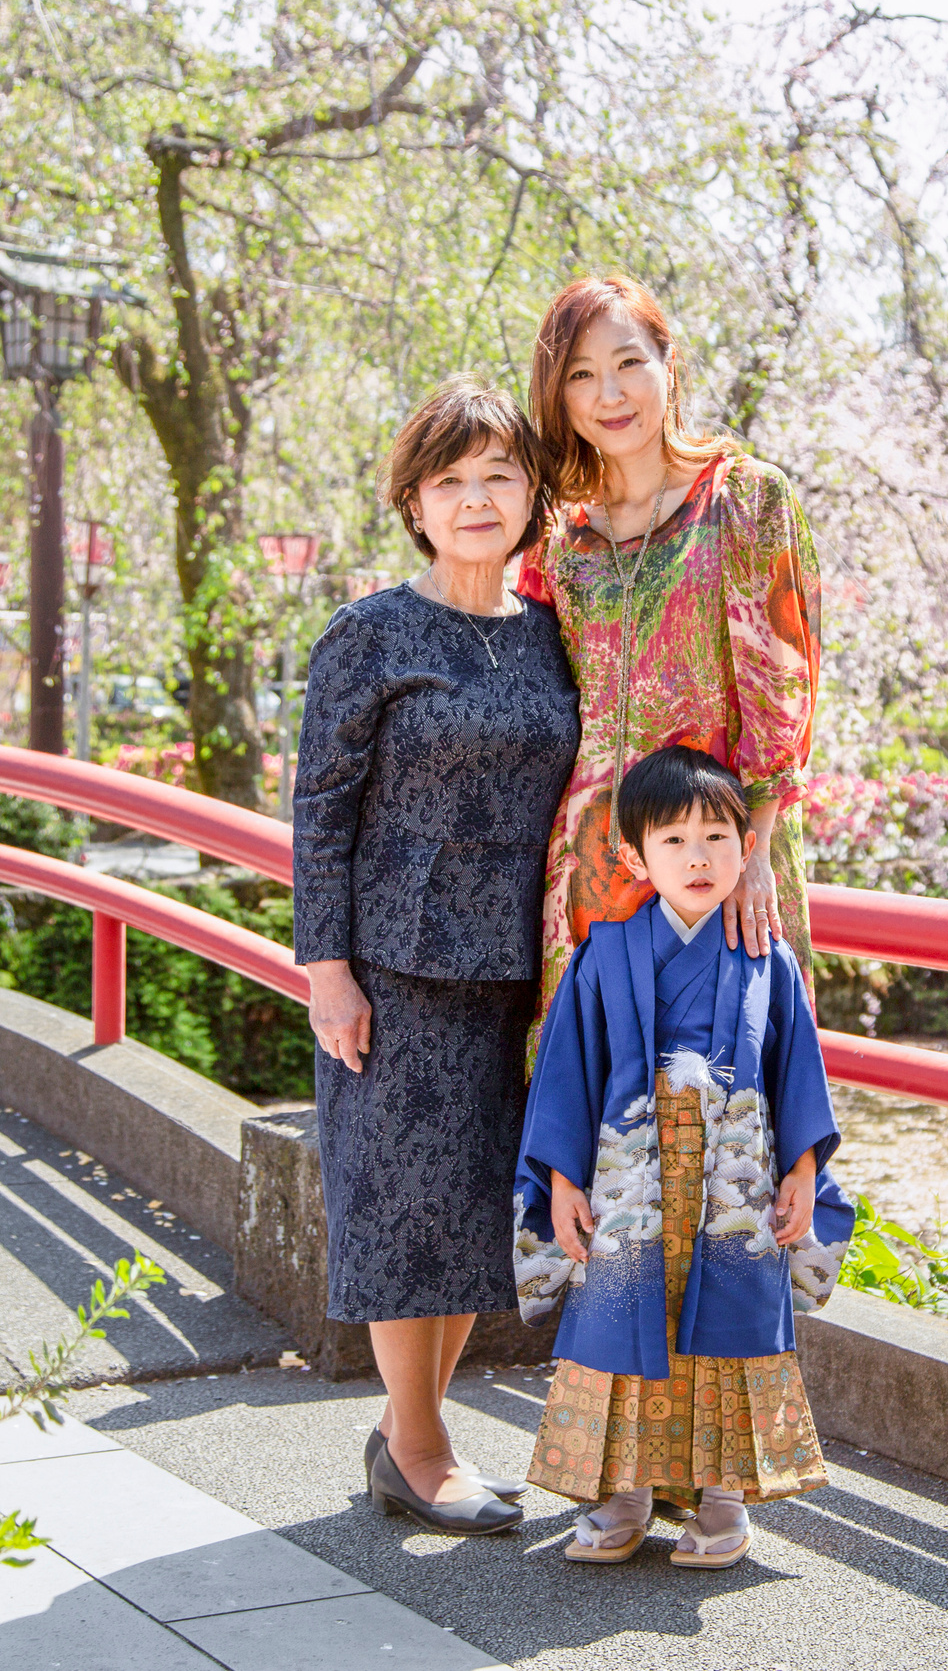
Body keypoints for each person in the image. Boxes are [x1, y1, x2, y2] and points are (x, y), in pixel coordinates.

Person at [292, 377, 581, 1537]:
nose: (475, 499)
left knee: (472, 1210)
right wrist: (327, 970)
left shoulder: (554, 633)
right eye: (450, 480)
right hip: (400, 962)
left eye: (498, 476)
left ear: (530, 495)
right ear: (414, 501)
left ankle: (413, 1433)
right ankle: (416, 1446)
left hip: (523, 958)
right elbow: (320, 807)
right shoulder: (371, 634)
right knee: (401, 1205)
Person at [511, 745, 853, 1569]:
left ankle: (725, 1496)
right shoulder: (605, 954)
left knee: (725, 1334)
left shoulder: (769, 959)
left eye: (716, 836)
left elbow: (796, 1070)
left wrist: (805, 1171)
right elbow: (568, 1071)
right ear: (634, 855)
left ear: (747, 847)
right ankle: (622, 1490)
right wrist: (561, 1178)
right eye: (673, 840)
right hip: (626, 1176)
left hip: (733, 1181)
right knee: (622, 1320)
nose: (698, 857)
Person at [518, 274, 823, 1035]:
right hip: (586, 870)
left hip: (712, 859)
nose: (609, 393)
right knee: (594, 1121)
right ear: (559, 397)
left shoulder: (746, 500)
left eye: (628, 362)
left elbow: (780, 694)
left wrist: (753, 851)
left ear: (667, 362)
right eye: (581, 375)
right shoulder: (557, 535)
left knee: (724, 1111)